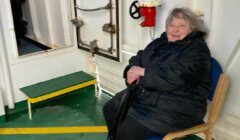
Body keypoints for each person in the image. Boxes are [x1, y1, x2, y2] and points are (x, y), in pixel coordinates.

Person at [103, 7, 211, 140]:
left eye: (182, 26)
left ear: (192, 28)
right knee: (109, 108)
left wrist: (143, 72)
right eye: (171, 25)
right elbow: (141, 56)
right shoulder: (160, 42)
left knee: (127, 130)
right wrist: (131, 69)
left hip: (179, 107)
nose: (175, 30)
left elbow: (175, 77)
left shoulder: (197, 51)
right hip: (149, 96)